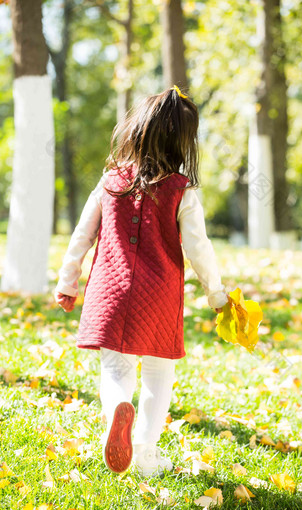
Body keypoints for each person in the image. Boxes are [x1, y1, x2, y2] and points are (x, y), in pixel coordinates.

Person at [54, 86, 228, 478]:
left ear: (136, 131)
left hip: (109, 290)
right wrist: (216, 295)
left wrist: (68, 282)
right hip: (160, 295)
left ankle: (118, 405)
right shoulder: (182, 191)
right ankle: (146, 453)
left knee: (115, 369)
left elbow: (82, 234)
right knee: (158, 373)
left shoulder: (110, 181)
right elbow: (199, 248)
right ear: (183, 142)